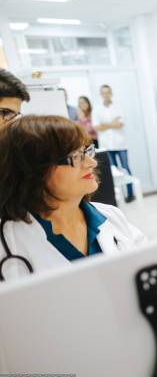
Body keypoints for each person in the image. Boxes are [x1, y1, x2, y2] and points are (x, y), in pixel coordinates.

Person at [0, 115, 146, 282]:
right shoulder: (8, 244)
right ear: (32, 170)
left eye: (86, 151)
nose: (92, 163)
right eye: (75, 156)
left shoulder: (111, 216)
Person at [93, 84, 135, 203]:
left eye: (108, 92)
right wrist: (112, 122)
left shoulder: (119, 106)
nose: (106, 94)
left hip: (121, 144)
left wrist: (104, 124)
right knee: (112, 171)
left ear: (111, 93)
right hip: (107, 145)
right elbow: (96, 127)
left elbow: (120, 124)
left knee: (126, 168)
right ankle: (117, 196)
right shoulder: (97, 109)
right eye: (103, 92)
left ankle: (130, 194)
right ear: (101, 94)